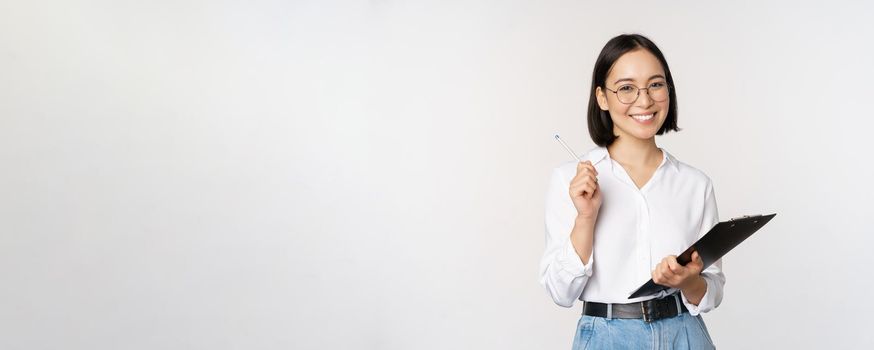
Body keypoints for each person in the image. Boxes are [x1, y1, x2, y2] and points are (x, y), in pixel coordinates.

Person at [539, 34, 724, 349]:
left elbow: (713, 290)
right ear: (602, 97)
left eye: (655, 84)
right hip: (606, 337)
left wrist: (688, 280)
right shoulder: (570, 180)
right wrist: (586, 217)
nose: (645, 100)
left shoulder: (696, 184)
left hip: (685, 334)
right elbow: (560, 293)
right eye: (626, 88)